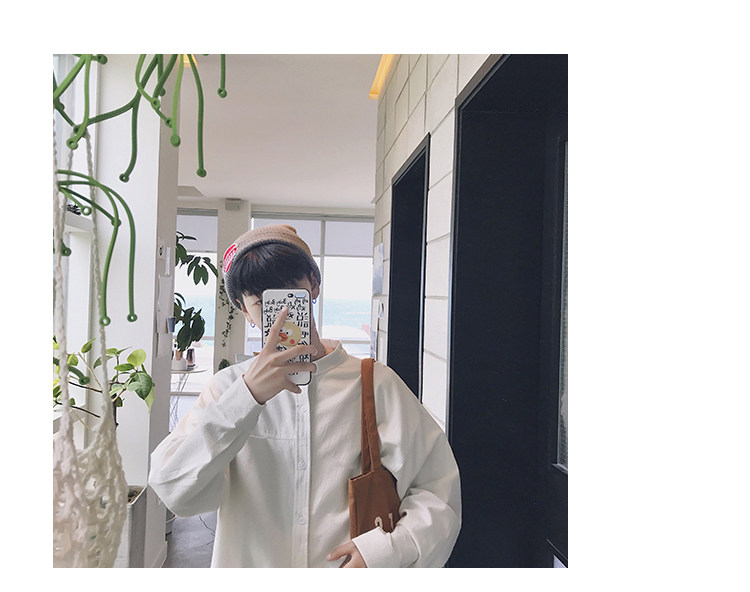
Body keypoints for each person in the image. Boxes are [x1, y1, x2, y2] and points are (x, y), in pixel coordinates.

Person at [149, 224, 461, 568]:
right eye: (263, 302)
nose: (281, 314)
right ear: (243, 309)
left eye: (289, 293)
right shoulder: (226, 389)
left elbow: (438, 490)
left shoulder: (375, 383)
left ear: (313, 285)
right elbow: (173, 489)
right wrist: (246, 398)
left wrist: (382, 552)